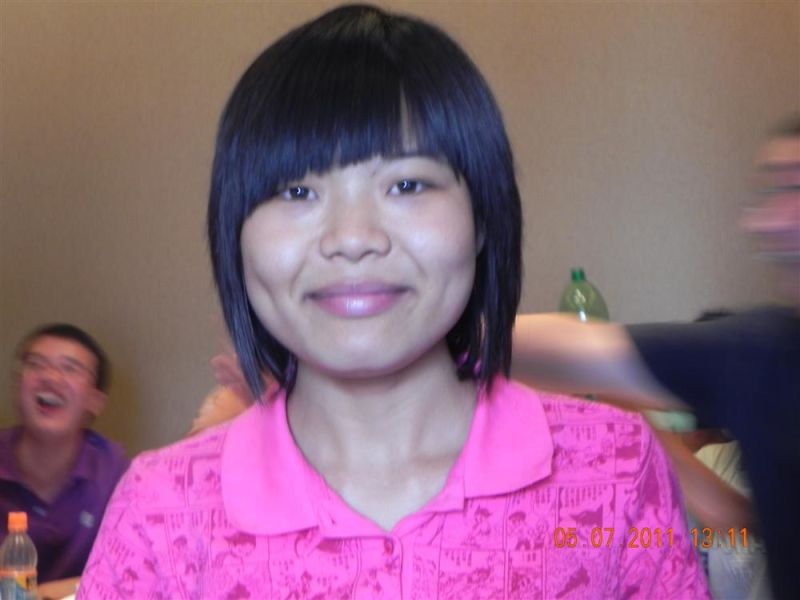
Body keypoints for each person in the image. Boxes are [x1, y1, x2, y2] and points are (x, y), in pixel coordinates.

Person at [79, 5, 708, 598]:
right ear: (235, 235)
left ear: (482, 218)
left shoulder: (613, 470)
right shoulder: (160, 511)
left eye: (407, 184)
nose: (353, 238)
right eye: (296, 192)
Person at [510, 115, 800, 599]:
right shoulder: (765, 356)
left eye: (792, 189)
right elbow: (566, 348)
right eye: (769, 194)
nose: (761, 223)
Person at [0, 323, 129, 583]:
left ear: (95, 402)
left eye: (70, 368)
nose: (50, 377)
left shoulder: (115, 472)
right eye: (36, 364)